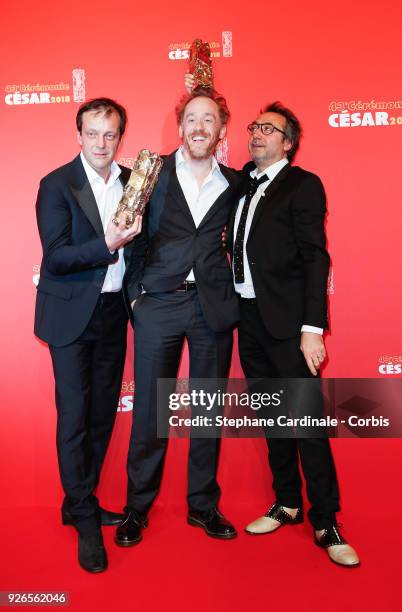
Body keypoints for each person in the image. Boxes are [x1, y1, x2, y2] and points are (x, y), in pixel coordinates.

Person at [233, 102, 360, 567]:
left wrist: (312, 327)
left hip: (290, 327)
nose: (257, 134)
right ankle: (286, 503)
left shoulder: (303, 185)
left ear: (288, 142)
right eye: (254, 127)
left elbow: (316, 257)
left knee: (307, 424)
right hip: (248, 321)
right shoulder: (242, 183)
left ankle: (325, 519)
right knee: (273, 420)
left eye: (270, 129)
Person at [115, 87, 242, 547]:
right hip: (159, 305)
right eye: (192, 118)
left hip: (212, 307)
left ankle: (203, 505)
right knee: (151, 410)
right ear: (181, 125)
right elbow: (131, 237)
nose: (200, 127)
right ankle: (137, 507)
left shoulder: (235, 184)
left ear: (221, 129)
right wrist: (136, 299)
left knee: (207, 411)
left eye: (209, 119)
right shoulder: (152, 173)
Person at [34, 97, 142, 573]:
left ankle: (80, 498)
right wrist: (107, 245)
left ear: (121, 137)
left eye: (111, 134)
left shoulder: (134, 184)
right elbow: (56, 257)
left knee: (101, 417)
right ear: (78, 135)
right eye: (93, 133)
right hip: (70, 317)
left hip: (113, 314)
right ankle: (82, 517)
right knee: (75, 417)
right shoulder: (57, 184)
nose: (101, 143)